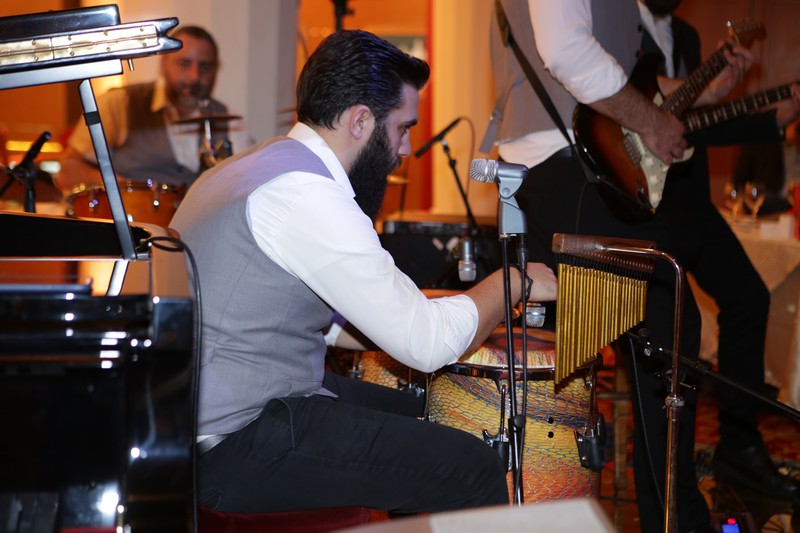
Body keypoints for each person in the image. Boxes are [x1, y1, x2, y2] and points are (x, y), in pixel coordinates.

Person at [170, 29, 558, 514]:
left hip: (202, 421)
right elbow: (427, 346)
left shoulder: (248, 166)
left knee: (428, 414)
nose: (406, 147)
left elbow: (292, 309)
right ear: (360, 121)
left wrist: (411, 312)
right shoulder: (306, 193)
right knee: (472, 468)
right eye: (402, 128)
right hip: (234, 442)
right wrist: (513, 281)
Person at [482, 1, 800, 531]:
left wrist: (703, 93)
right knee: (668, 326)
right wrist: (652, 121)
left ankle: (667, 509)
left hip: (574, 169)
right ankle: (670, 516)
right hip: (567, 169)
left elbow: (624, 79)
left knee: (666, 331)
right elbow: (566, 51)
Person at [58, 25, 254, 195]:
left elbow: (247, 182)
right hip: (135, 222)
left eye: (205, 67)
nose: (194, 76)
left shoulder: (230, 120)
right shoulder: (121, 102)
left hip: (196, 225)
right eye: (184, 64)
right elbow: (68, 170)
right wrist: (118, 188)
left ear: (216, 69)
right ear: (163, 64)